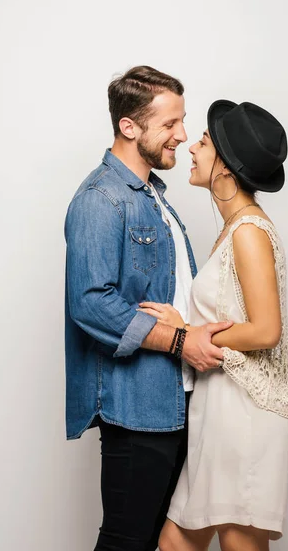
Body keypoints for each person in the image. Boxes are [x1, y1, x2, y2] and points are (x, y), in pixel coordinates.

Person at [64, 66, 231, 551]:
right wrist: (181, 341)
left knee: (156, 541)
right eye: (170, 124)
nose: (182, 134)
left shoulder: (153, 198)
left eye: (182, 121)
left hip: (173, 403)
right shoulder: (101, 198)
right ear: (128, 127)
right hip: (136, 409)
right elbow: (90, 303)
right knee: (126, 541)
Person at [138, 100, 288, 551]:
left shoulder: (248, 230)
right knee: (174, 543)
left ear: (225, 165)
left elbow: (267, 331)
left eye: (204, 141)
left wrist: (185, 333)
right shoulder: (233, 230)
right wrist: (186, 329)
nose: (191, 146)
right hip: (219, 412)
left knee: (237, 543)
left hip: (245, 416)